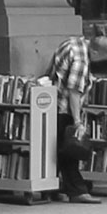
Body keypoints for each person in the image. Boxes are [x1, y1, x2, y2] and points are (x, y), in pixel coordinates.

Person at [43, 31, 103, 204]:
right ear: (95, 52)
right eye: (102, 58)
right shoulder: (81, 59)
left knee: (55, 150)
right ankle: (77, 191)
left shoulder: (72, 43)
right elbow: (74, 91)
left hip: (50, 103)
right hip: (63, 107)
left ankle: (53, 188)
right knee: (70, 150)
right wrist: (77, 121)